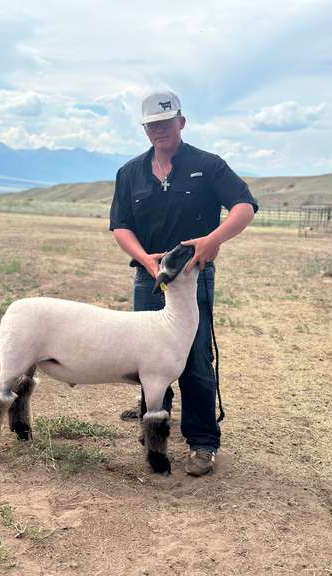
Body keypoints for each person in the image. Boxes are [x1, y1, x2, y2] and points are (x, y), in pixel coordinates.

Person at [109, 90, 259, 476]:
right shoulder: (130, 173)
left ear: (181, 122)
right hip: (149, 277)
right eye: (151, 124)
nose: (159, 129)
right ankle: (155, 419)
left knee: (193, 358)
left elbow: (244, 207)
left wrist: (214, 239)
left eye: (165, 122)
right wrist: (144, 259)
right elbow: (120, 225)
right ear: (145, 129)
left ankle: (202, 441)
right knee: (146, 355)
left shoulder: (208, 165)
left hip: (192, 276)